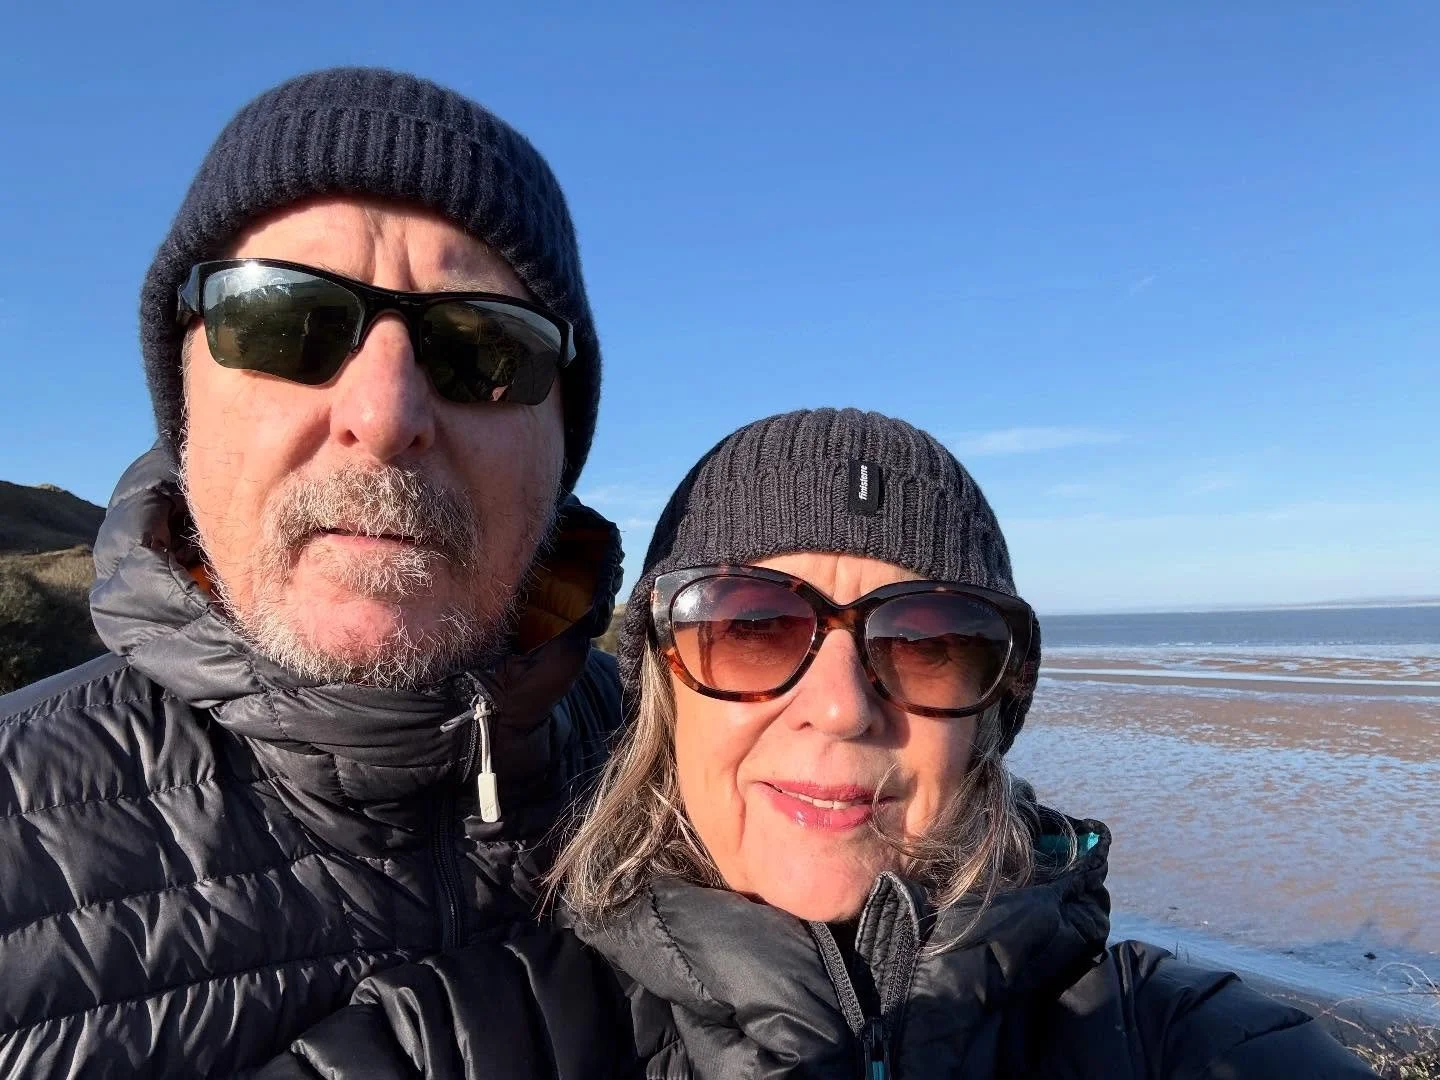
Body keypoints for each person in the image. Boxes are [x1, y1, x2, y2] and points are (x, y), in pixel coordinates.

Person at [262, 408, 1373, 1078]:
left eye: (928, 642)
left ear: (992, 714)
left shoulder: (1175, 1042)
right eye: (753, 626)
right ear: (661, 690)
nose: (840, 707)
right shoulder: (454, 1046)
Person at [0, 68, 623, 1076]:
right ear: (183, 405)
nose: (383, 416)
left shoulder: (686, 772)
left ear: (562, 445)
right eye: (284, 321)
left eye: (484, 347)